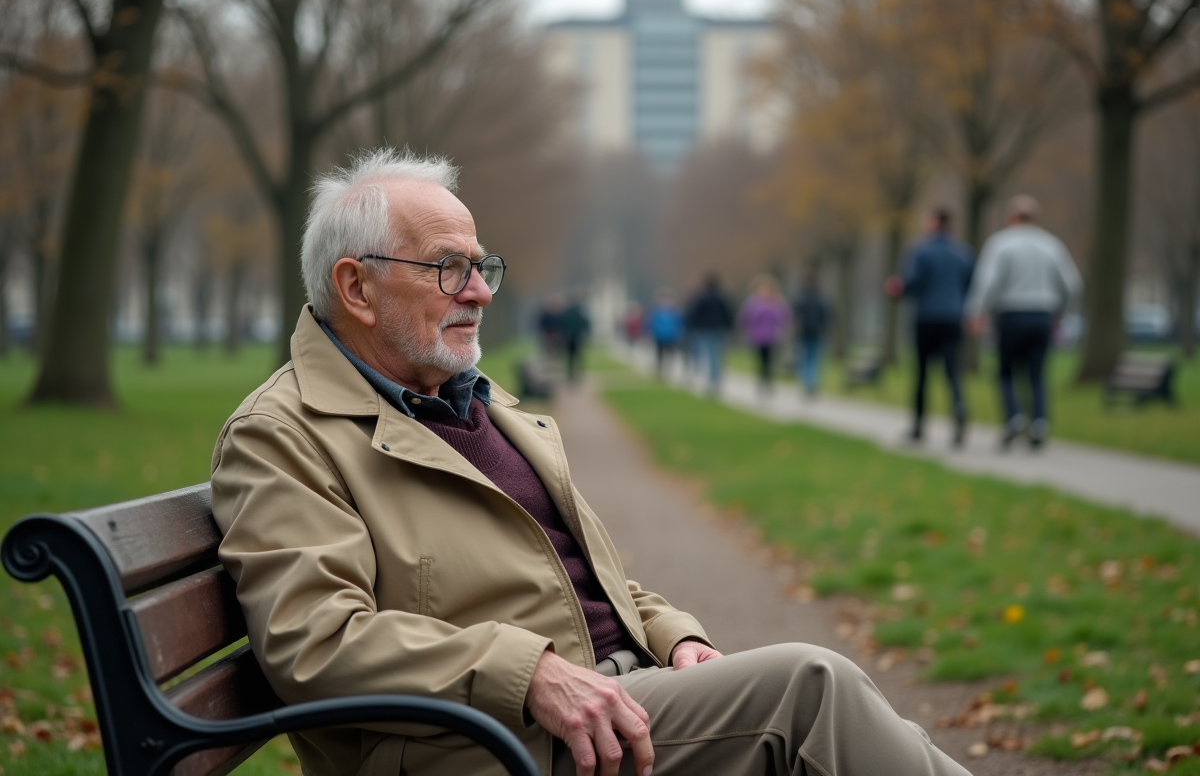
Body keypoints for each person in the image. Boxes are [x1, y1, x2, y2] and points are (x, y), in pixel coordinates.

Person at [210, 149, 972, 776]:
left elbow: (595, 574)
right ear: (356, 287)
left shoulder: (479, 404)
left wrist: (676, 637)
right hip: (479, 746)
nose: (479, 292)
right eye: (448, 268)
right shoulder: (282, 433)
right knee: (809, 691)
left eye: (482, 267)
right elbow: (318, 640)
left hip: (603, 702)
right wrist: (529, 672)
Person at [965, 195, 1082, 449]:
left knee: (1006, 371)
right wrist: (1061, 311)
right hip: (1043, 314)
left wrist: (976, 311)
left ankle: (1013, 417)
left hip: (1011, 314)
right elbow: (1072, 285)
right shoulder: (1052, 245)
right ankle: (1039, 422)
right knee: (1037, 374)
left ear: (1011, 218)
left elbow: (987, 282)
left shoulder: (1000, 244)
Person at [886, 209, 974, 446]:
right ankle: (958, 405)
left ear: (935, 223)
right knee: (952, 371)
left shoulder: (921, 251)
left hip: (927, 317)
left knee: (922, 373)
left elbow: (912, 283)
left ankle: (918, 427)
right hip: (953, 317)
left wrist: (897, 288)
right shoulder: (963, 253)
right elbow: (970, 284)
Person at [739, 274, 791, 394]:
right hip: (758, 336)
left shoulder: (777, 301)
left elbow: (784, 317)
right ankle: (763, 381)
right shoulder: (753, 301)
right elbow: (746, 317)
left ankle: (767, 382)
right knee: (761, 360)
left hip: (773, 337)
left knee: (770, 361)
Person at [684, 274, 734, 393]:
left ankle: (713, 380)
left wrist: (696, 326)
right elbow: (728, 313)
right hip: (719, 329)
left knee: (709, 354)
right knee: (717, 354)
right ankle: (716, 379)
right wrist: (729, 327)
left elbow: (694, 314)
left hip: (705, 330)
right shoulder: (722, 297)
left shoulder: (702, 298)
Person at [792, 271, 830, 397]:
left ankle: (807, 383)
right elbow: (826, 317)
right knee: (814, 359)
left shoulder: (801, 299)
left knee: (805, 359)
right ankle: (812, 383)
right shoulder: (821, 299)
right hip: (817, 333)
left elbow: (795, 317)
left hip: (804, 333)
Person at [645, 289, 686, 377]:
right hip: (671, 335)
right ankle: (667, 369)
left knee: (660, 354)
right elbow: (680, 323)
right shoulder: (675, 310)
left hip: (660, 335)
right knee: (669, 353)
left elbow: (651, 322)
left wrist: (650, 333)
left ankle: (660, 370)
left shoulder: (657, 310)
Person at [559, 293, 591, 383]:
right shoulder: (579, 312)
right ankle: (578, 374)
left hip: (568, 338)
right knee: (578, 356)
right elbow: (585, 324)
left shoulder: (566, 312)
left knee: (570, 357)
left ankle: (570, 374)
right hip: (577, 338)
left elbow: (561, 324)